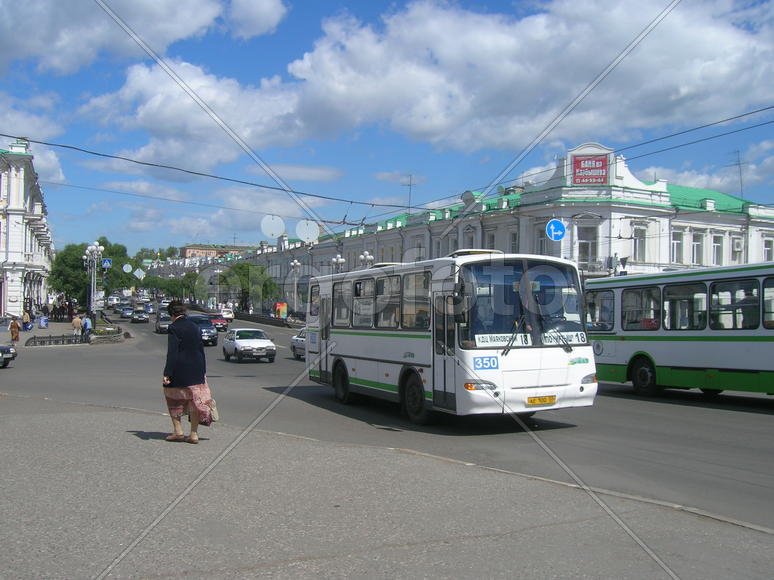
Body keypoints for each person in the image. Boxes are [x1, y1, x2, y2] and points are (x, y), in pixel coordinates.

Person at [162, 300, 213, 444]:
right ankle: (194, 434)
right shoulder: (195, 326)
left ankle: (178, 431)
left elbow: (172, 352)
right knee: (193, 400)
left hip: (180, 368)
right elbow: (200, 350)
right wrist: (202, 370)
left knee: (172, 397)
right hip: (197, 368)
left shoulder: (174, 327)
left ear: (171, 314)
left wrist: (167, 373)